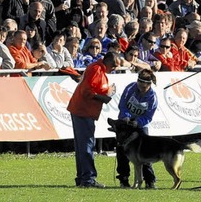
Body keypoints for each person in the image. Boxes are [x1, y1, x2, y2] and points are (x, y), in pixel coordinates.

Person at [67, 51, 118, 188]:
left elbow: (90, 88)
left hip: (81, 110)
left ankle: (82, 178)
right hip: (83, 111)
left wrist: (106, 92)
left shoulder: (97, 68)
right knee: (87, 145)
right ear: (107, 61)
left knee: (82, 146)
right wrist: (105, 98)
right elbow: (87, 91)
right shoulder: (96, 69)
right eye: (113, 65)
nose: (114, 68)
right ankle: (88, 179)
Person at [116, 69, 158, 189]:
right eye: (140, 86)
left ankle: (150, 181)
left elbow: (149, 116)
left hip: (140, 126)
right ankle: (123, 179)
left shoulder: (152, 97)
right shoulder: (130, 88)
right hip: (125, 123)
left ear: (149, 85)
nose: (141, 89)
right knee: (122, 152)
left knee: (145, 153)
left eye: (144, 88)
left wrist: (138, 122)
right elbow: (122, 104)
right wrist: (126, 116)